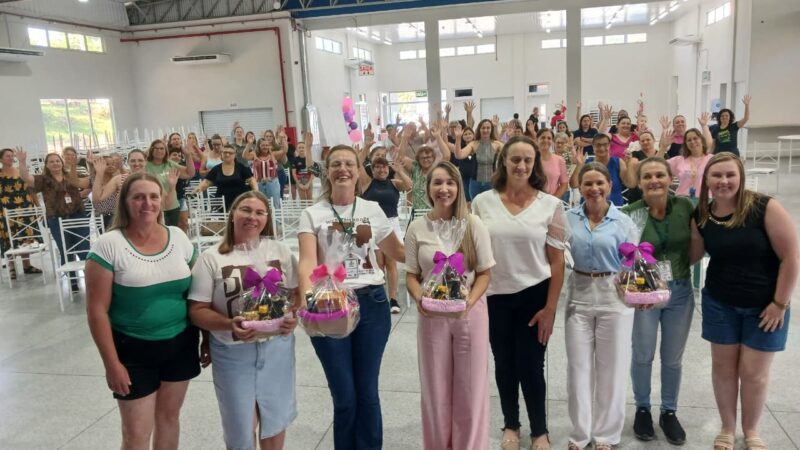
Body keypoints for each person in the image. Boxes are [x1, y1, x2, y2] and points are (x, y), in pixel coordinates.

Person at [297, 144, 405, 450]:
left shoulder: (372, 210)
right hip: (330, 305)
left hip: (372, 303)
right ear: (327, 172)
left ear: (359, 172)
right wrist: (307, 298)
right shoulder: (312, 214)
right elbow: (307, 262)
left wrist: (435, 254)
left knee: (367, 392)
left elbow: (398, 251)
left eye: (349, 164)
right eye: (336, 164)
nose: (342, 169)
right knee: (344, 395)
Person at [85, 172, 202, 450]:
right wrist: (111, 364)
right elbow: (97, 311)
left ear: (162, 200)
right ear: (125, 202)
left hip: (180, 344)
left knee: (169, 419)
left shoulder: (178, 237)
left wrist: (207, 337)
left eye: (153, 196)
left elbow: (200, 293)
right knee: (136, 434)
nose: (147, 203)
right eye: (138, 197)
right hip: (133, 350)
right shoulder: (109, 245)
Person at [691, 153, 798, 450]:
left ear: (741, 177)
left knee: (754, 373)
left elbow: (791, 257)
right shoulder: (702, 214)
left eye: (730, 175)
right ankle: (727, 427)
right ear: (707, 179)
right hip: (720, 302)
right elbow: (692, 255)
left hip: (766, 306)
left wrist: (780, 303)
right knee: (723, 369)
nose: (723, 181)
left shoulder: (764, 207)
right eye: (717, 175)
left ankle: (751, 430)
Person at [471, 136, 568, 450]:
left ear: (535, 164)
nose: (522, 165)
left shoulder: (550, 205)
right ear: (504, 162)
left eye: (528, 160)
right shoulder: (482, 202)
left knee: (532, 366)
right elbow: (473, 252)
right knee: (504, 364)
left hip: (534, 296)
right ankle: (511, 424)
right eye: (515, 159)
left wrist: (550, 309)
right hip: (494, 295)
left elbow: (557, 262)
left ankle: (540, 430)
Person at [189, 191, 299, 450]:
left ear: (267, 218)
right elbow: (197, 310)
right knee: (240, 426)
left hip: (277, 350)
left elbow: (295, 295)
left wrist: (292, 317)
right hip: (232, 352)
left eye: (260, 212)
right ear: (232, 215)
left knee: (275, 420)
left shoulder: (280, 251)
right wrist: (229, 324)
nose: (252, 217)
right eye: (246, 210)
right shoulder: (211, 258)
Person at [405, 161, 495, 450]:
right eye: (437, 182)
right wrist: (420, 298)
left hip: (469, 313)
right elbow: (411, 274)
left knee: (471, 388)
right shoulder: (417, 227)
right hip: (431, 314)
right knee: (436, 388)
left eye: (450, 182)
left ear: (459, 187)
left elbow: (485, 273)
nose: (444, 189)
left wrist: (468, 302)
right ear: (427, 188)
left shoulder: (473, 224)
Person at [622, 157, 698, 445]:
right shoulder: (631, 213)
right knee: (643, 353)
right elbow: (621, 256)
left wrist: (678, 271)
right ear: (639, 182)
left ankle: (669, 411)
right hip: (645, 291)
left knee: (672, 357)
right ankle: (642, 408)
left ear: (670, 179)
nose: (654, 180)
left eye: (659, 175)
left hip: (680, 290)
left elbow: (696, 245)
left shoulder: (685, 207)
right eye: (648, 176)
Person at [565, 162, 637, 450]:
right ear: (580, 187)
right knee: (578, 368)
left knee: (612, 368)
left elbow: (634, 263)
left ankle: (606, 434)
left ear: (609, 185)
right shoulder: (567, 218)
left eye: (599, 183)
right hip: (578, 293)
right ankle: (580, 433)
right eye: (588, 183)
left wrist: (636, 292)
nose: (594, 188)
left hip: (614, 295)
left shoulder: (624, 222)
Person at [17, 149, 90, 292]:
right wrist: (22, 162)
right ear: (47, 165)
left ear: (62, 162)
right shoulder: (43, 179)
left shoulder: (71, 175)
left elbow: (87, 184)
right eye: (51, 162)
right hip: (56, 219)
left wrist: (80, 193)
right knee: (65, 250)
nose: (55, 163)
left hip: (78, 215)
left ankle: (91, 279)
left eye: (57, 161)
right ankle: (73, 281)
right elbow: (27, 178)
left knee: (84, 249)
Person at [358, 150, 412, 315]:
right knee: (378, 262)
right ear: (372, 169)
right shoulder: (367, 183)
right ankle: (380, 298)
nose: (381, 170)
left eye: (384, 167)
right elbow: (358, 165)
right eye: (378, 167)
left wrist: (400, 171)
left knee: (391, 262)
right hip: (372, 226)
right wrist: (366, 147)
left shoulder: (394, 183)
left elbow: (409, 185)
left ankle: (393, 299)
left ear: (388, 169)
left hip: (391, 224)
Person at [0, 147, 41, 279]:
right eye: (8, 156)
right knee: (8, 236)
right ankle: (11, 267)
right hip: (6, 209)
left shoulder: (20, 171)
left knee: (24, 235)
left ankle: (26, 265)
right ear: (1, 159)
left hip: (25, 207)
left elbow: (31, 189)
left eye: (12, 155)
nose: (11, 158)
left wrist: (38, 206)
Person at [570, 133, 636, 206]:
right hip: (590, 208)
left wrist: (629, 164)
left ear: (609, 145)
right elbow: (574, 185)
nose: (602, 148)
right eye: (598, 145)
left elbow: (630, 184)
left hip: (614, 208)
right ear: (593, 147)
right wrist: (579, 165)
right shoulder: (586, 163)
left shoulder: (618, 162)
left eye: (605, 145)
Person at [658, 120, 714, 200]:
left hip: (705, 201)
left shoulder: (712, 159)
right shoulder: (679, 160)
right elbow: (656, 165)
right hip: (682, 201)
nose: (692, 142)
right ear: (686, 144)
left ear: (701, 140)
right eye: (689, 140)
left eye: (695, 138)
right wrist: (663, 147)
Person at [145, 139, 195, 226]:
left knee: (172, 232)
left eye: (162, 148)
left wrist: (188, 155)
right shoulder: (146, 165)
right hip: (153, 207)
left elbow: (189, 173)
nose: (159, 151)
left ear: (166, 150)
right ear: (151, 150)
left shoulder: (170, 164)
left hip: (172, 206)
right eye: (156, 148)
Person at [194, 144, 257, 211]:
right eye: (225, 152)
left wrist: (256, 193)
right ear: (221, 154)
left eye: (230, 153)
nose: (227, 155)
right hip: (221, 203)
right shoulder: (216, 169)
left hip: (240, 202)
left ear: (235, 155)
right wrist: (197, 190)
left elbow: (251, 180)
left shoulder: (241, 167)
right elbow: (207, 182)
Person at [454, 119, 503, 199]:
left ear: (491, 129)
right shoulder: (473, 144)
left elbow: (510, 152)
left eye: (488, 128)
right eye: (483, 128)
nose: (485, 130)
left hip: (492, 183)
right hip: (475, 183)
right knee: (475, 206)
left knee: (491, 205)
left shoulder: (497, 144)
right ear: (479, 129)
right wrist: (458, 138)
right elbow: (459, 155)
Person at [623, 130, 658, 204]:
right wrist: (627, 162)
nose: (645, 142)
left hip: (656, 192)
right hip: (637, 194)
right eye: (642, 141)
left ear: (654, 140)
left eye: (648, 139)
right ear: (639, 143)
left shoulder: (663, 154)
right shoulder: (634, 154)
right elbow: (632, 170)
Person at [537, 128, 569, 198]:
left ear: (552, 141)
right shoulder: (530, 159)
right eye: (543, 137)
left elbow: (564, 183)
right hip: (532, 201)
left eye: (549, 138)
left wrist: (553, 199)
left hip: (552, 199)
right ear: (537, 139)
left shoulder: (559, 160)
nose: (546, 140)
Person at [252, 138, 282, 210]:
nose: (265, 147)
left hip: (272, 182)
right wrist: (249, 144)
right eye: (263, 145)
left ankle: (276, 218)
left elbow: (284, 151)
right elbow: (244, 156)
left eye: (267, 145)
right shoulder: (254, 154)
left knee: (275, 205)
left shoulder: (273, 154)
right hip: (259, 183)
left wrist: (282, 139)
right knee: (260, 205)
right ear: (259, 146)